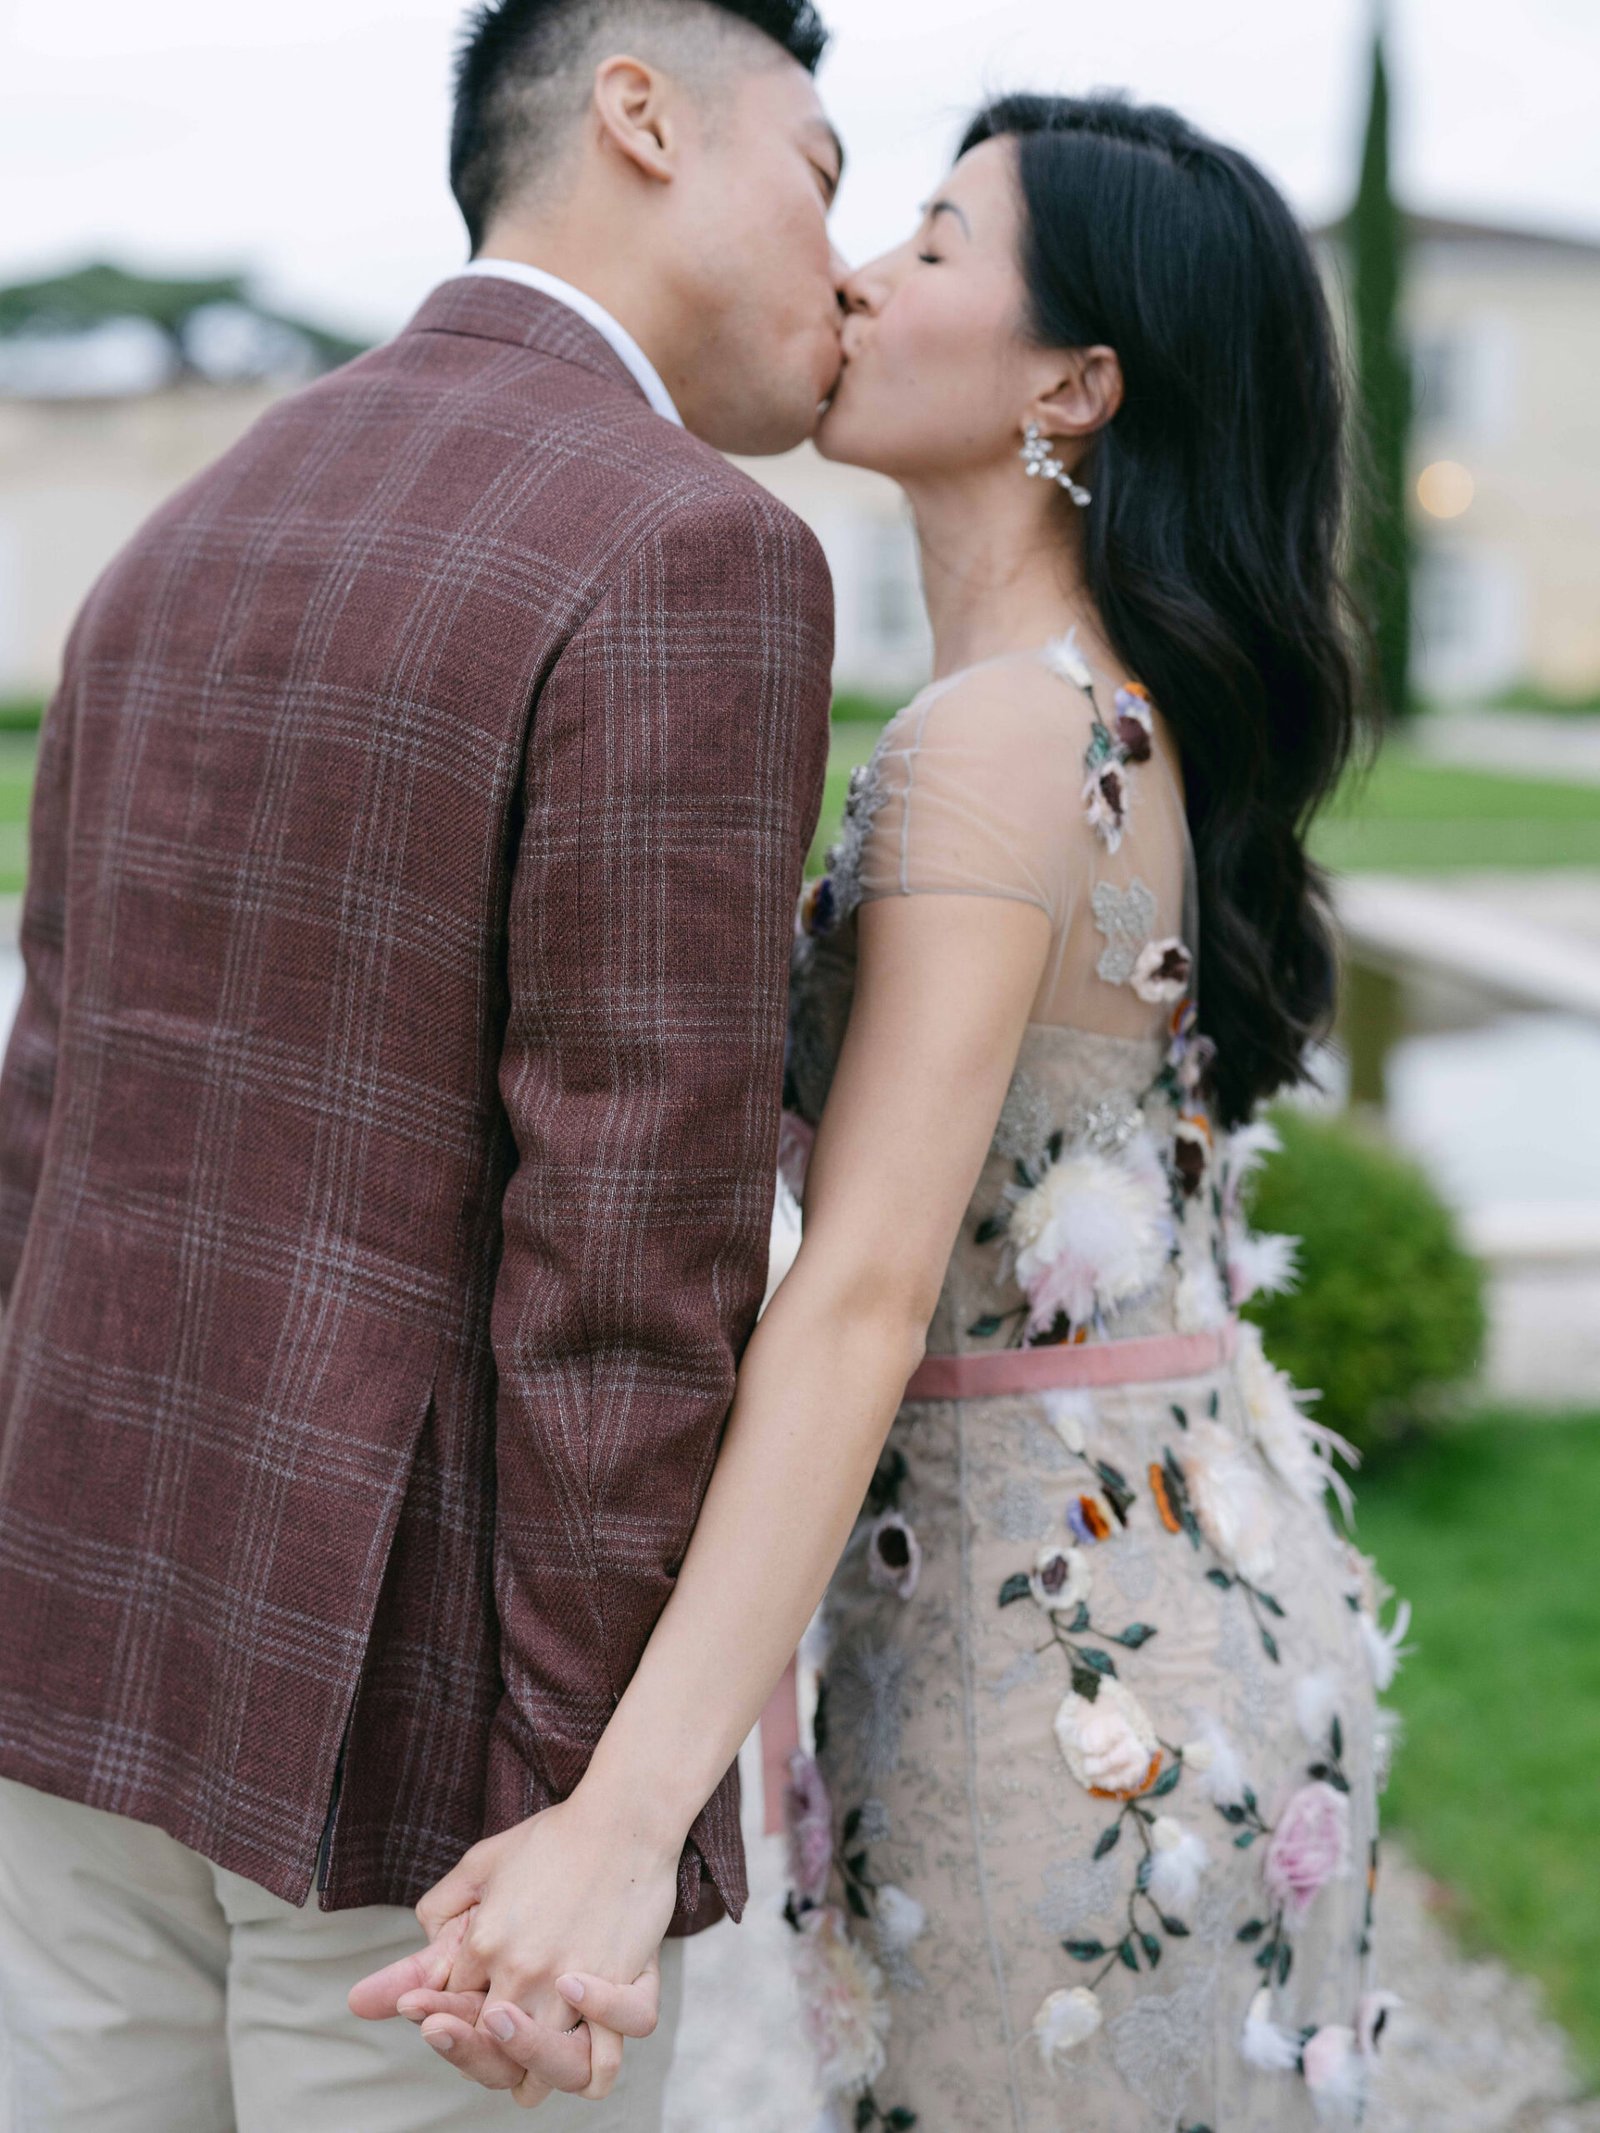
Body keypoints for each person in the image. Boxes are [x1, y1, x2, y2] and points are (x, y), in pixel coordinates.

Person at [382, 92, 1408, 2132]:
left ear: (1073, 384)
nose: (854, 279)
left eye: (929, 246)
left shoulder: (992, 741)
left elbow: (858, 1294)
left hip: (1053, 1653)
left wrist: (621, 1820)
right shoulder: (1112, 713)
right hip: (1182, 1584)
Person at [0, 1, 845, 2125]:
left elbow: (47, 1110)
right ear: (641, 113)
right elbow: (630, 1264)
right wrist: (592, 1816)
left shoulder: (189, 525)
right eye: (820, 173)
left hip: (70, 1634)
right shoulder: (688, 543)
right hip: (420, 1768)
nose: (842, 268)